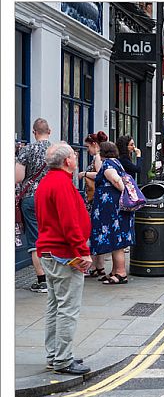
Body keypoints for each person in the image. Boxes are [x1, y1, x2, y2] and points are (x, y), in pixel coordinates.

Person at [35, 142, 92, 375]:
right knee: (67, 308)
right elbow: (69, 223)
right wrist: (82, 251)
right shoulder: (61, 185)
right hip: (64, 255)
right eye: (74, 155)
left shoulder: (47, 182)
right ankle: (63, 360)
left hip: (49, 252)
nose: (76, 157)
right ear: (67, 161)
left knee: (54, 306)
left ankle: (54, 355)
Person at [90, 141, 135, 285]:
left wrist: (122, 190)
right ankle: (115, 271)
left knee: (117, 243)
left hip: (113, 211)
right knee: (117, 241)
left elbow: (117, 181)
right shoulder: (116, 162)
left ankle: (121, 273)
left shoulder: (108, 165)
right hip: (116, 210)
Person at [15, 118, 52, 293]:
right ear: (49, 131)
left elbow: (18, 177)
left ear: (34, 132)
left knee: (36, 239)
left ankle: (42, 280)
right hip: (52, 197)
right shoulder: (56, 150)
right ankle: (54, 277)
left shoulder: (27, 150)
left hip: (31, 198)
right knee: (50, 235)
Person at [78, 131, 108, 279]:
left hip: (93, 200)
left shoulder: (97, 157)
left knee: (93, 232)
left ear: (94, 145)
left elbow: (99, 174)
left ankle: (98, 267)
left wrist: (84, 173)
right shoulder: (100, 156)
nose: (87, 150)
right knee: (96, 233)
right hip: (94, 200)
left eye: (88, 146)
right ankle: (98, 267)